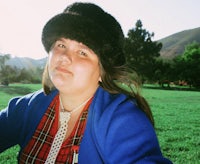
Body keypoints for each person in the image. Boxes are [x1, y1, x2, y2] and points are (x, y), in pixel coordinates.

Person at [0, 2, 172, 164]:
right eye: (61, 44)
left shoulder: (122, 120)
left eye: (82, 52)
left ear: (102, 70)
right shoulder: (26, 108)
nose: (64, 57)